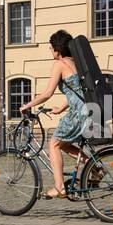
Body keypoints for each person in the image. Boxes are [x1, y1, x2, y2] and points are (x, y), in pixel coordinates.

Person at [18, 29, 88, 199]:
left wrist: (27, 105)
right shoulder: (76, 62)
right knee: (64, 144)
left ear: (57, 50)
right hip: (90, 109)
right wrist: (62, 108)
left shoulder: (59, 64)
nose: (51, 51)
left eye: (51, 48)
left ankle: (59, 188)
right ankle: (96, 170)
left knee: (54, 144)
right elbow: (79, 91)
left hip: (79, 113)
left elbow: (47, 93)